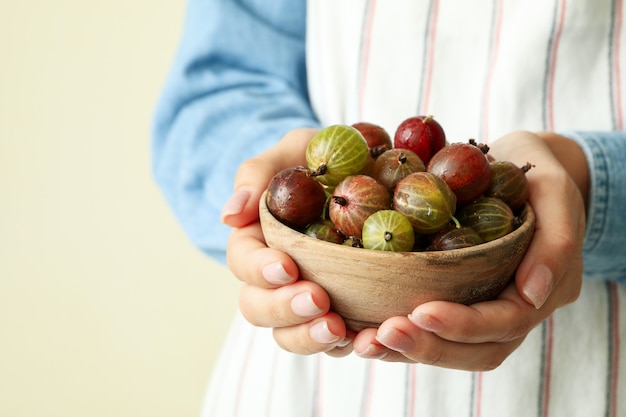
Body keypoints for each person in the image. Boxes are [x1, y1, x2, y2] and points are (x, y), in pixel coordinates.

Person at [152, 1, 626, 416]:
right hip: (307, 381)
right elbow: (217, 90)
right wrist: (269, 189)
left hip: (591, 373)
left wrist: (591, 184)